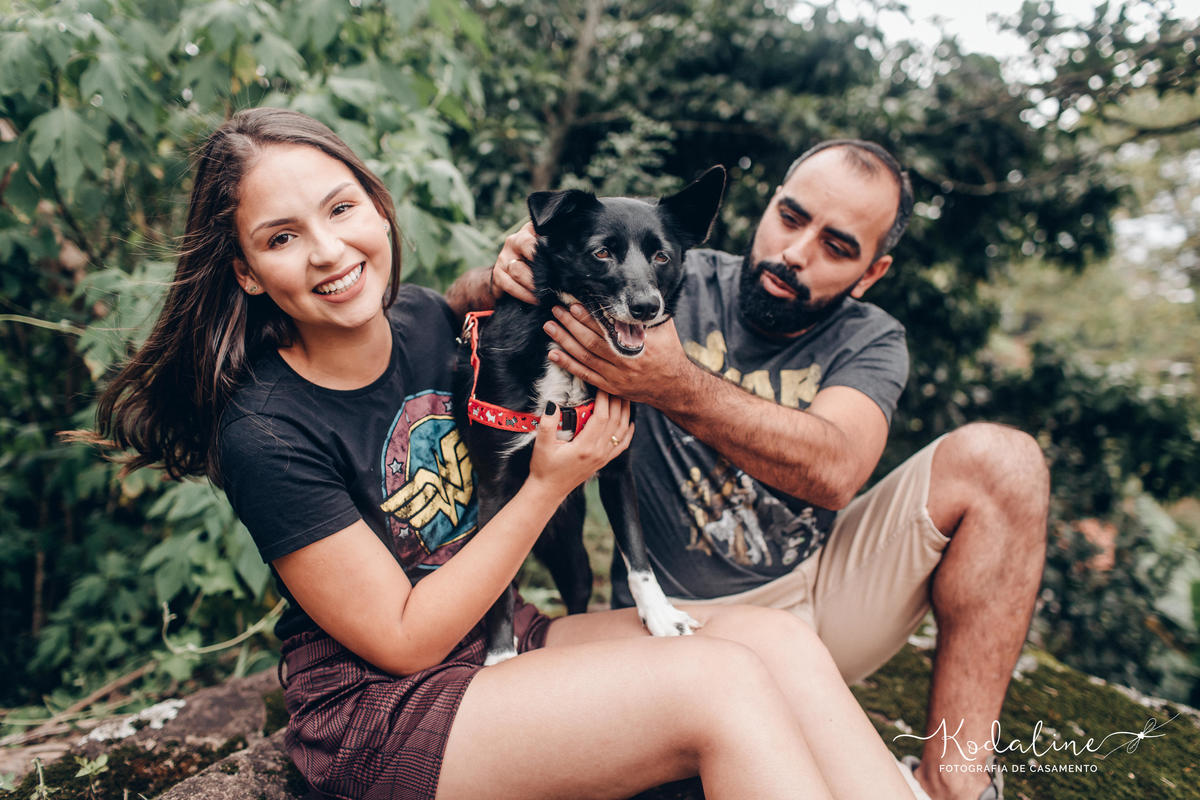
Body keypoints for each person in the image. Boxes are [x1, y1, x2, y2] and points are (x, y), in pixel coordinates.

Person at [85, 109, 915, 800]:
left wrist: (516, 270)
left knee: (774, 643)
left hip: (496, 636)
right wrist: (549, 484)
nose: (329, 251)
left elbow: (493, 319)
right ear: (247, 272)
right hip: (381, 708)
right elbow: (403, 641)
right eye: (281, 237)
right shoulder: (266, 429)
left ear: (379, 208)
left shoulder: (423, 320)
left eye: (341, 210)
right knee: (720, 687)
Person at [476, 140, 1049, 800]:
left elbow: (836, 471)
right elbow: (477, 320)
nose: (796, 252)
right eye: (791, 217)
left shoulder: (871, 337)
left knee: (1006, 461)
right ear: (769, 205)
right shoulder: (659, 269)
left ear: (871, 272)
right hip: (682, 612)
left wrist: (675, 384)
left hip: (820, 588)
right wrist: (501, 273)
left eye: (837, 246)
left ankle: (955, 780)